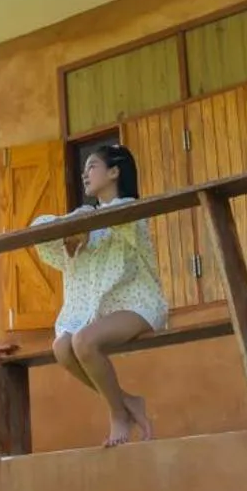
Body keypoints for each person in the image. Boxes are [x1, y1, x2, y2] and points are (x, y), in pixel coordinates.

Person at [32, 144, 167, 446]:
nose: (84, 174)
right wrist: (75, 227)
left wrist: (83, 226)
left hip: (138, 304)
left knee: (84, 341)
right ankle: (129, 401)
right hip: (101, 312)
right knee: (62, 348)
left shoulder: (131, 210)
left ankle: (117, 413)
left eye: (92, 166)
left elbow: (117, 220)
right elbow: (39, 226)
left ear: (114, 171)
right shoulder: (84, 216)